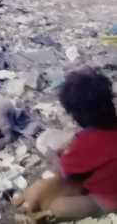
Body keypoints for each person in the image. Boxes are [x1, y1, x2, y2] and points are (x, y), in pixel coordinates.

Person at [45, 67, 117, 220]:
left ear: (77, 115)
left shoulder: (84, 144)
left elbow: (64, 173)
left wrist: (53, 157)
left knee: (58, 206)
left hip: (110, 199)